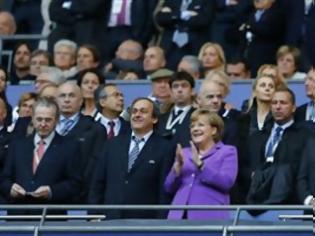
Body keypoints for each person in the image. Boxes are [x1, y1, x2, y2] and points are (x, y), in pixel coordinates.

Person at [89, 97, 175, 219]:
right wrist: (93, 215)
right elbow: (98, 184)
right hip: (111, 220)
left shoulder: (165, 148)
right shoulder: (112, 144)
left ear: (154, 118)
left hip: (146, 222)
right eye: (134, 111)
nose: (137, 115)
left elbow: (164, 190)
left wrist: (161, 223)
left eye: (143, 111)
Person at [0, 98, 81, 214]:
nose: (43, 124)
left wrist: (51, 191)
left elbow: (75, 183)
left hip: (51, 217)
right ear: (32, 118)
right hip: (18, 217)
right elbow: (4, 178)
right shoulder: (17, 145)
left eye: (48, 120)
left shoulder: (69, 147)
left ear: (56, 120)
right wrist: (10, 188)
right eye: (39, 119)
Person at [165, 109, 238, 219]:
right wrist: (176, 169)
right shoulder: (184, 152)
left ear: (213, 130)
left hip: (210, 215)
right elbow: (169, 188)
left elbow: (226, 182)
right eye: (192, 126)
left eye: (200, 125)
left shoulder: (227, 151)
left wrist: (201, 165)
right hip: (179, 216)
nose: (195, 129)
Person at [245, 88, 308, 211]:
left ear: (294, 108)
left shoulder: (304, 136)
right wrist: (252, 175)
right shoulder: (257, 137)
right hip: (256, 197)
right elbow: (244, 165)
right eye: (274, 103)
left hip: (291, 201)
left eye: (283, 103)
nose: (278, 107)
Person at [55, 81, 106, 202]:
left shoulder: (95, 129)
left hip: (81, 196)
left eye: (72, 96)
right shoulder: (44, 126)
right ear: (56, 100)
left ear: (81, 101)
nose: (67, 100)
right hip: (49, 194)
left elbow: (94, 166)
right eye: (62, 96)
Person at [155, 0, 215, 70]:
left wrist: (173, 17)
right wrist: (184, 14)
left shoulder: (206, 1)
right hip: (170, 47)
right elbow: (160, 19)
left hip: (192, 46)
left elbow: (203, 20)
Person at [198, 71, 240, 146]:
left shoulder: (234, 119)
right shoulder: (192, 118)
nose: (215, 100)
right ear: (199, 99)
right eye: (210, 96)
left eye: (221, 84)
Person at [157, 71, 195, 147]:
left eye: (184, 86)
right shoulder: (160, 118)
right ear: (171, 92)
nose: (179, 90)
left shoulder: (198, 116)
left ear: (192, 91)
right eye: (175, 86)